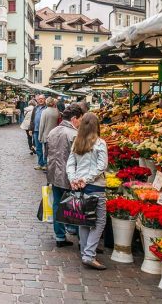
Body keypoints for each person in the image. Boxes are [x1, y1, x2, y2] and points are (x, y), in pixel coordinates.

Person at [66, 112, 108, 270]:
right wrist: (86, 179)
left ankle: (85, 252)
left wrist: (74, 179)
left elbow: (70, 164)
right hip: (95, 186)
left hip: (79, 187)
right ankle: (89, 255)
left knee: (83, 220)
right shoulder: (100, 143)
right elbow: (102, 166)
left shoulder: (78, 141)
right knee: (99, 221)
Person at [46, 103, 84, 247]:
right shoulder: (74, 134)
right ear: (74, 118)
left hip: (54, 174)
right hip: (69, 176)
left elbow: (47, 152)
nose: (80, 123)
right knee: (77, 206)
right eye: (79, 119)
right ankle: (81, 239)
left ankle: (60, 236)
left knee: (57, 204)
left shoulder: (53, 131)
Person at [39, 97, 60, 162]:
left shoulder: (44, 111)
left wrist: (40, 136)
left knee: (47, 151)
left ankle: (47, 166)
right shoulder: (57, 111)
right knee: (53, 152)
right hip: (55, 135)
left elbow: (42, 125)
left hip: (47, 135)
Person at [29, 95, 47, 170]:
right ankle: (40, 163)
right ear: (37, 100)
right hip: (36, 131)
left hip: (45, 131)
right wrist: (30, 129)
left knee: (46, 148)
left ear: (44, 99)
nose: (40, 100)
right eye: (39, 99)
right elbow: (32, 119)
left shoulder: (47, 108)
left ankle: (45, 164)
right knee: (38, 148)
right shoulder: (35, 108)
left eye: (42, 99)